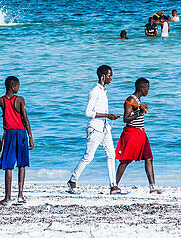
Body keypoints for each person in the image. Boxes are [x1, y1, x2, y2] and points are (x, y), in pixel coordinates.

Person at [68, 65, 120, 194]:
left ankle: (113, 186)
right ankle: (72, 180)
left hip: (104, 128)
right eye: (109, 76)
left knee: (111, 155)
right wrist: (107, 115)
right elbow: (88, 112)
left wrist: (108, 118)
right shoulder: (94, 92)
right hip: (94, 128)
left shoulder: (103, 91)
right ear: (103, 76)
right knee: (89, 157)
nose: (111, 78)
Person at [0, 75, 34, 205]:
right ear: (13, 87)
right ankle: (20, 195)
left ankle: (7, 197)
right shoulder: (20, 100)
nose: (18, 88)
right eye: (18, 86)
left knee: (8, 166)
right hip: (21, 134)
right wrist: (30, 137)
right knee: (21, 164)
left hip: (8, 135)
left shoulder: (0, 100)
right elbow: (25, 120)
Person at [114, 77, 161, 193]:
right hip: (132, 133)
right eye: (147, 88)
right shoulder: (131, 100)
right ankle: (114, 186)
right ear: (142, 88)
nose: (148, 91)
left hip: (141, 133)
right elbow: (126, 119)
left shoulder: (138, 101)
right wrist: (139, 113)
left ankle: (153, 188)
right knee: (125, 160)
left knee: (149, 158)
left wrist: (140, 111)